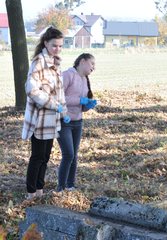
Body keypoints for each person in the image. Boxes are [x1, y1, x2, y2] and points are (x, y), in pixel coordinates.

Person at [22, 27, 70, 200]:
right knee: (37, 157)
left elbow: (59, 91)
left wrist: (63, 110)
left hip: (52, 119)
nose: (57, 49)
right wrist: (53, 104)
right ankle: (30, 192)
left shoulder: (55, 63)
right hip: (40, 118)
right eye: (54, 45)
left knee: (46, 157)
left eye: (60, 46)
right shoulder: (38, 62)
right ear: (45, 43)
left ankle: (40, 190)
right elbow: (31, 90)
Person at [56, 53, 97, 192]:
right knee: (68, 154)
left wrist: (88, 105)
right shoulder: (68, 75)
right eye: (92, 64)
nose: (94, 68)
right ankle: (60, 187)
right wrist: (80, 100)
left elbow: (81, 105)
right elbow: (58, 98)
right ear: (83, 61)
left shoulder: (85, 79)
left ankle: (70, 185)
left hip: (78, 122)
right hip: (63, 120)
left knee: (74, 155)